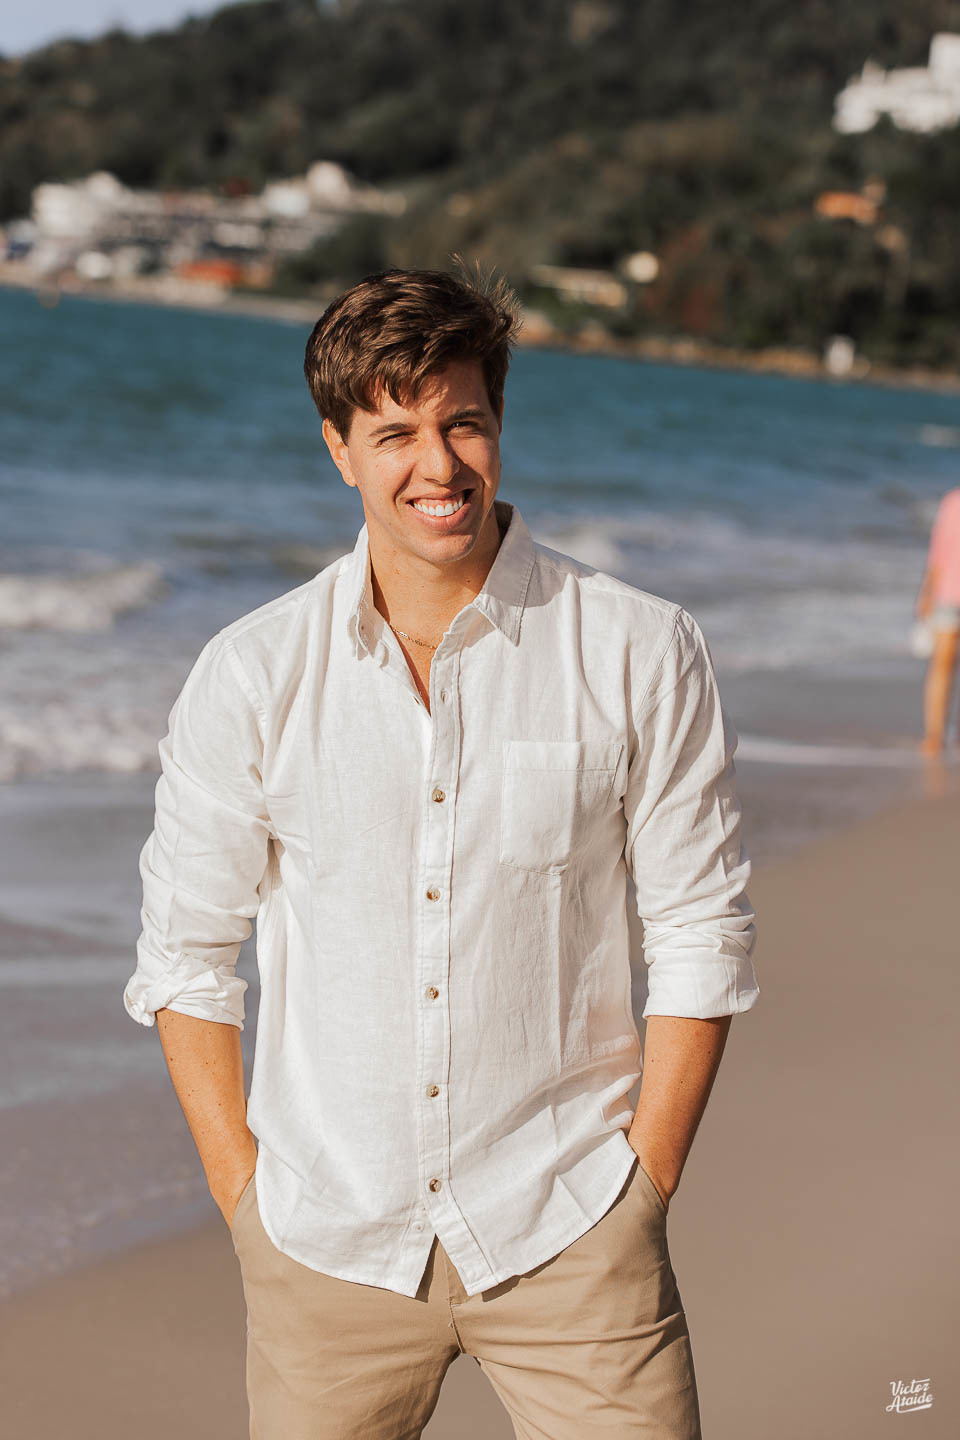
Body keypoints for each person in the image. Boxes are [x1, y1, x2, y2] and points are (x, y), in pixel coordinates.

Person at [123, 263, 760, 1439]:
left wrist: (644, 1185)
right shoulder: (255, 673)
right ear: (340, 449)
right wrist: (244, 1198)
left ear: (498, 422)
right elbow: (186, 954)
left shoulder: (637, 650)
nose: (438, 464)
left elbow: (700, 934)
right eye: (396, 431)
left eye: (462, 420)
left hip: (571, 1230)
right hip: (324, 1246)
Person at [916, 485, 960, 755]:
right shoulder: (952, 502)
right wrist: (927, 592)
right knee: (942, 663)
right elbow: (938, 552)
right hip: (948, 594)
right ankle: (934, 734)